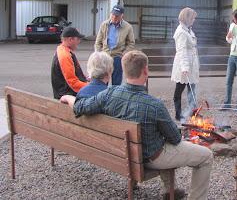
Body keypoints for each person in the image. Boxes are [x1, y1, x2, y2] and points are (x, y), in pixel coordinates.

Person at [61, 50, 213, 200]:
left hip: (123, 153)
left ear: (124, 71)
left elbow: (80, 107)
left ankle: (170, 190)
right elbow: (175, 138)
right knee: (206, 156)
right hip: (149, 157)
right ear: (145, 71)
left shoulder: (109, 94)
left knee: (159, 137)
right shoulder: (155, 105)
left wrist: (68, 97)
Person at [171, 7, 200, 122]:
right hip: (184, 66)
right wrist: (185, 67)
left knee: (192, 91)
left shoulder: (188, 29)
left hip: (191, 64)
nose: (194, 20)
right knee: (179, 91)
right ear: (187, 18)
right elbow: (181, 51)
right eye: (193, 18)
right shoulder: (181, 32)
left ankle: (193, 113)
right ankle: (178, 114)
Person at [95, 4, 135, 85]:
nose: (114, 17)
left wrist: (123, 54)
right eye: (112, 15)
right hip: (104, 56)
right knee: (102, 81)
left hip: (118, 57)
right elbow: (98, 42)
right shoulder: (104, 25)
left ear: (122, 16)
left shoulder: (128, 27)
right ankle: (103, 96)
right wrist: (98, 54)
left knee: (116, 83)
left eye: (116, 16)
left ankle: (115, 96)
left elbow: (131, 43)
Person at [51, 27, 88, 99]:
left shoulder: (63, 50)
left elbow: (75, 73)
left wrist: (86, 78)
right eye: (78, 39)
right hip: (67, 95)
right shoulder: (65, 56)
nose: (79, 42)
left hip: (68, 92)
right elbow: (73, 83)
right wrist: (90, 86)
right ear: (70, 39)